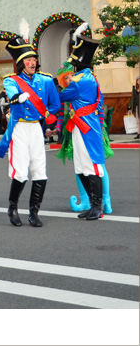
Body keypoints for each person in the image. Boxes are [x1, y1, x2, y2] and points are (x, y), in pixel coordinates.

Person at [0, 22, 60, 228]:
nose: (32, 63)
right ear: (21, 63)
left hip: (36, 127)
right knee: (20, 171)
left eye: (34, 59)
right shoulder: (12, 81)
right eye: (28, 60)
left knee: (40, 170)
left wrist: (51, 116)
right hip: (19, 127)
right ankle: (13, 207)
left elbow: (54, 104)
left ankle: (34, 212)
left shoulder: (45, 81)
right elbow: (12, 95)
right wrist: (19, 98)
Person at [59, 23, 108, 220]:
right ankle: (95, 204)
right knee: (82, 166)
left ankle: (97, 207)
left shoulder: (79, 81)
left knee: (89, 165)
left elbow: (61, 97)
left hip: (85, 126)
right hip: (87, 124)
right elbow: (101, 101)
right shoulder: (91, 78)